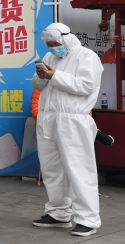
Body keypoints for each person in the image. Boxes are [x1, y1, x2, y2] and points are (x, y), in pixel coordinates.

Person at [32, 23, 102, 237]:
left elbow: (86, 86)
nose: (53, 48)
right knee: (52, 168)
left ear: (67, 38)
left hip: (73, 119)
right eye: (49, 44)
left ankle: (88, 219)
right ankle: (58, 213)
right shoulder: (50, 57)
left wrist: (54, 76)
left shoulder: (86, 56)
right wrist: (42, 76)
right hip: (48, 117)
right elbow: (38, 86)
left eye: (55, 43)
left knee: (79, 169)